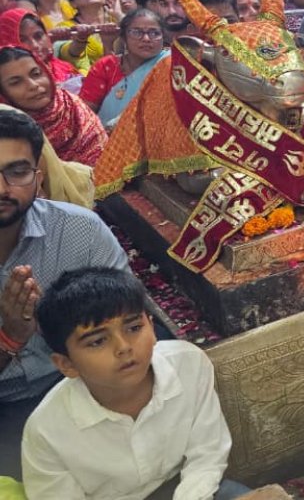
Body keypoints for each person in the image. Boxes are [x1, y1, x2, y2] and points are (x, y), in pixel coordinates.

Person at [22, 267, 245, 499]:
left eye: (134, 328)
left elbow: (206, 455)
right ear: (66, 364)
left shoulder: (189, 364)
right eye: (97, 341)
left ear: (151, 326)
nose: (124, 347)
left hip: (188, 488)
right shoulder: (46, 431)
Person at [0, 109, 129, 480]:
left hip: (84, 387)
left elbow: (125, 326)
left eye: (17, 172)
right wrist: (9, 337)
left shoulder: (80, 231)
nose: (2, 188)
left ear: (38, 177)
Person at [0, 47, 107, 166]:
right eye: (16, 82)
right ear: (3, 93)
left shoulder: (73, 106)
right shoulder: (6, 131)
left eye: (36, 74)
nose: (33, 85)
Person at [78, 9, 168, 129]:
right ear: (124, 37)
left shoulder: (169, 63)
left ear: (163, 37)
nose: (146, 38)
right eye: (136, 32)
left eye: (154, 33)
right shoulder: (106, 66)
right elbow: (84, 114)